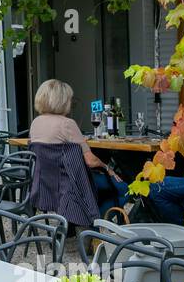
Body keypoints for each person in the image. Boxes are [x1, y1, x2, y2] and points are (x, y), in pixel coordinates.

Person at [28, 79, 128, 211]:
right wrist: (108, 168)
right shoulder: (67, 124)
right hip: (73, 184)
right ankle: (95, 219)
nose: (71, 103)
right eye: (69, 99)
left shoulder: (35, 123)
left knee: (100, 187)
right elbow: (91, 161)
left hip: (47, 185)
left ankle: (85, 219)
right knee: (125, 189)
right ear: (62, 101)